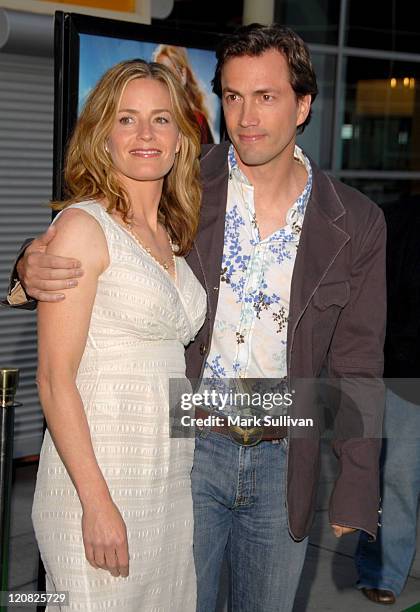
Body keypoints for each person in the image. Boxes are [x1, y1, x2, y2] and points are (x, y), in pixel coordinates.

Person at [6, 25, 386, 612]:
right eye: (232, 97)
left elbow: (358, 358)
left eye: (266, 96)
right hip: (187, 448)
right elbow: (104, 227)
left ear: (304, 104)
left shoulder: (356, 222)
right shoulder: (187, 181)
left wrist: (358, 483)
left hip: (286, 455)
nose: (246, 116)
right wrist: (27, 265)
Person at [22, 59, 205, 610]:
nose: (145, 134)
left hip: (167, 483)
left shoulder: (171, 234)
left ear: (180, 140)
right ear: (103, 136)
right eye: (127, 119)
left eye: (161, 119)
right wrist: (97, 504)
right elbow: (55, 379)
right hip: (97, 482)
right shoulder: (82, 227)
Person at [355, 195, 420, 605]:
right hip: (407, 373)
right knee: (397, 477)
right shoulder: (399, 218)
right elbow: (375, 297)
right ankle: (383, 571)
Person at [153, 45, 215, 144]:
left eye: (168, 73)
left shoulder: (197, 121)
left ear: (183, 75)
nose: (162, 79)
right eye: (157, 72)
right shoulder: (145, 115)